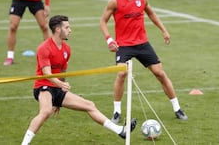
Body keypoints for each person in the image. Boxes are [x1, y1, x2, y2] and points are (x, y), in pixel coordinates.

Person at [20, 15, 137, 145]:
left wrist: (59, 95)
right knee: (46, 111)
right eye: (67, 27)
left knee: (89, 105)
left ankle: (120, 131)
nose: (70, 30)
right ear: (58, 29)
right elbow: (47, 74)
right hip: (43, 87)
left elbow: (62, 72)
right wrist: (61, 84)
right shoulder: (44, 48)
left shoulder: (66, 49)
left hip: (57, 88)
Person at [99, 0, 188, 124]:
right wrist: (109, 40)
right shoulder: (114, 1)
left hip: (142, 44)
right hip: (124, 46)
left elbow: (152, 14)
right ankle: (116, 112)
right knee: (121, 75)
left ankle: (177, 108)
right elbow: (102, 21)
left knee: (160, 73)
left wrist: (164, 30)